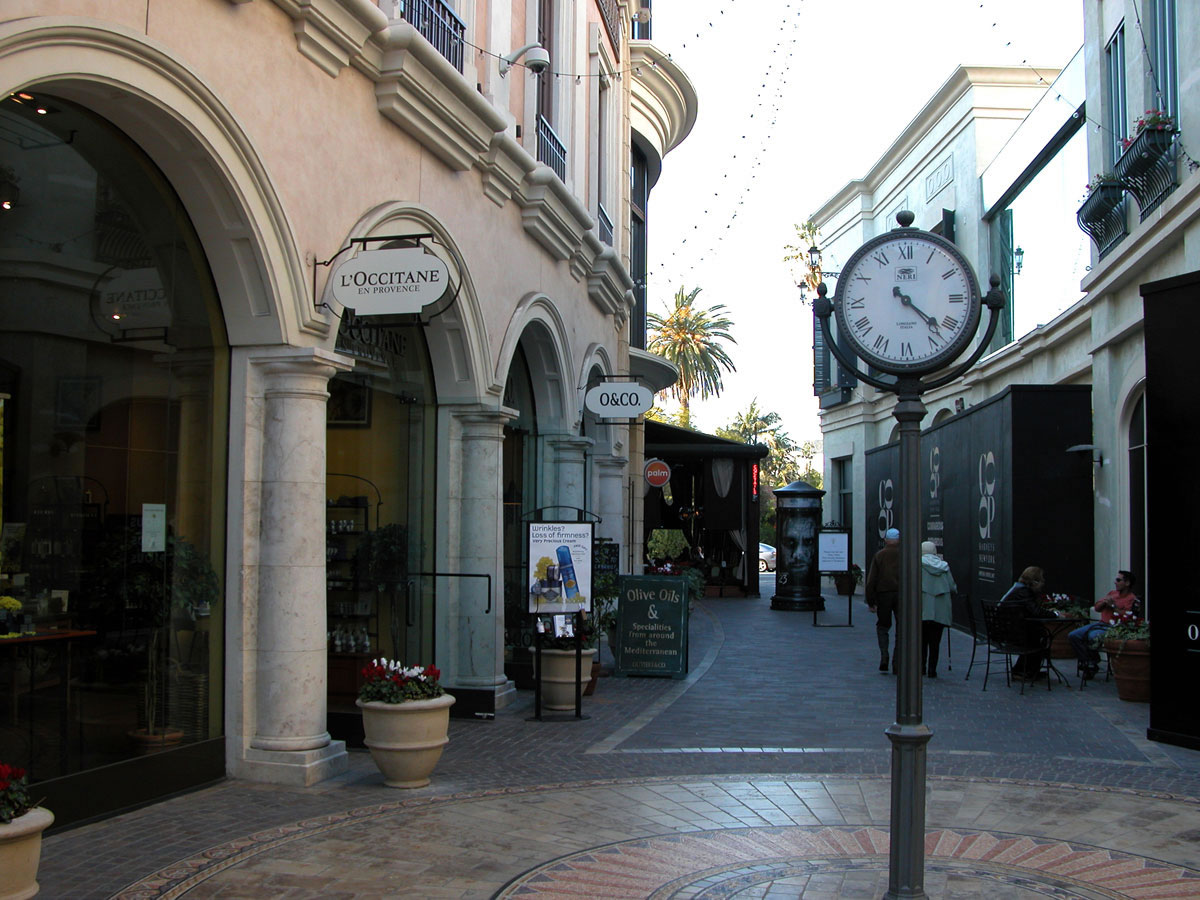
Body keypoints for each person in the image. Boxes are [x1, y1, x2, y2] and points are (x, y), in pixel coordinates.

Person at [1068, 570, 1139, 680]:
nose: (1115, 582)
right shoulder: (1112, 593)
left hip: (1114, 627)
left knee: (1093, 636)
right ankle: (1090, 661)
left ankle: (1090, 664)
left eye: (1118, 580)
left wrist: (1113, 607)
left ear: (1127, 583)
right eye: (1116, 579)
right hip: (1100, 624)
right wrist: (1104, 603)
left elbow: (1127, 617)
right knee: (1073, 635)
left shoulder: (1131, 599)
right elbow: (1097, 608)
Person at [999, 566, 1048, 679]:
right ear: (1035, 581)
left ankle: (1024, 669)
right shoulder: (1024, 592)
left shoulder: (1018, 588)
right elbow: (1035, 611)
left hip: (1006, 630)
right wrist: (1054, 614)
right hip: (1011, 634)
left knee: (1036, 634)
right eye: (1041, 580)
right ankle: (1025, 670)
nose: (1043, 583)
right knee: (1039, 637)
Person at [865, 527, 900, 673]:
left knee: (883, 626)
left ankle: (884, 655)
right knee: (902, 628)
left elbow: (871, 580)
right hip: (901, 594)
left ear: (885, 540)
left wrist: (871, 601)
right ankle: (897, 661)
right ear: (899, 540)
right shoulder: (905, 555)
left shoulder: (879, 555)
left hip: (883, 594)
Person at [920, 540, 956, 678]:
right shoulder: (944, 567)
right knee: (935, 642)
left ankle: (921, 666)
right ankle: (932, 669)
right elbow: (952, 587)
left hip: (923, 609)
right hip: (940, 610)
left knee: (922, 641)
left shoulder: (919, 565)